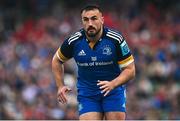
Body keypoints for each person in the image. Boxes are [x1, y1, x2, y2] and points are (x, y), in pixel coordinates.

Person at [52, 5, 135, 120]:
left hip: (113, 91)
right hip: (88, 93)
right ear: (82, 22)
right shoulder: (74, 41)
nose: (90, 23)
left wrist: (113, 84)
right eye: (86, 19)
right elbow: (56, 60)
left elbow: (130, 70)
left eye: (94, 18)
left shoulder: (115, 39)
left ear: (102, 20)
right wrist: (60, 85)